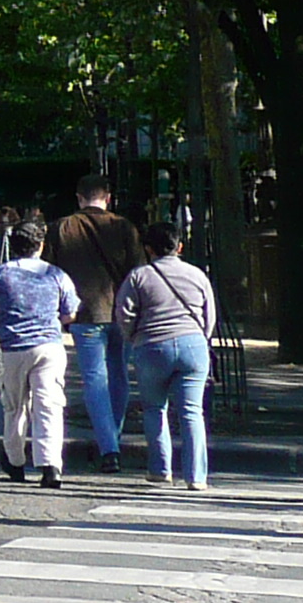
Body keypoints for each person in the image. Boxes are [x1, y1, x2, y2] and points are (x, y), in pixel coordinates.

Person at [50, 176, 146, 474]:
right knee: (118, 374)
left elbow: (50, 272)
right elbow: (139, 272)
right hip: (121, 311)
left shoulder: (61, 228)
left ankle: (109, 448)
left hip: (84, 312)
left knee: (94, 379)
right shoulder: (124, 227)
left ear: (79, 198)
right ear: (108, 197)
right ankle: (111, 438)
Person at [117, 222, 218, 489]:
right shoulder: (197, 275)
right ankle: (196, 476)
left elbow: (124, 314)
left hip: (151, 346)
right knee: (191, 411)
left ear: (148, 249)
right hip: (193, 346)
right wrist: (200, 338)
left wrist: (134, 337)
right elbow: (210, 316)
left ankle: (161, 469)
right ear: (179, 247)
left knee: (154, 408)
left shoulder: (139, 276)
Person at [0, 220, 80, 486]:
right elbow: (70, 313)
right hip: (48, 346)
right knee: (49, 405)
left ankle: (15, 460)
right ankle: (50, 465)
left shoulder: (0, 274)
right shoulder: (55, 274)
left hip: (11, 347)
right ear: (40, 246)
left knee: (15, 407)